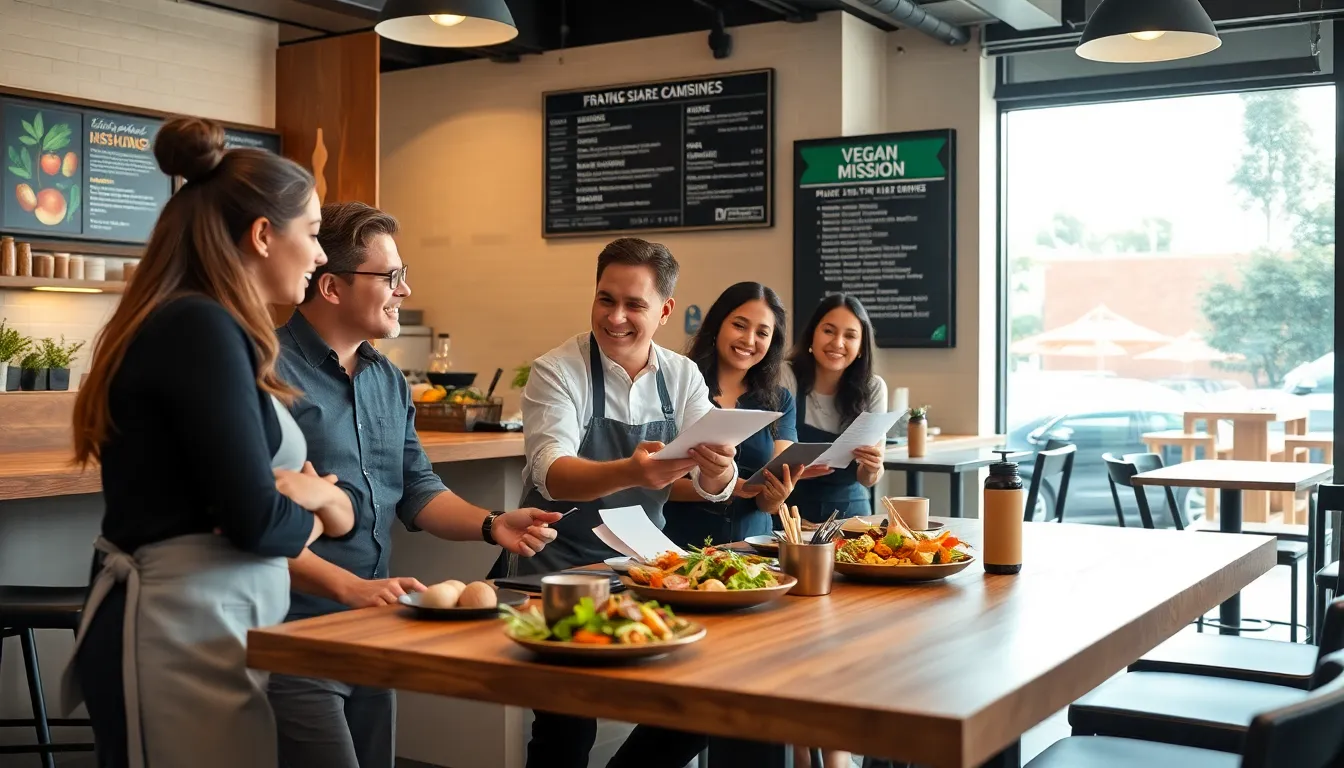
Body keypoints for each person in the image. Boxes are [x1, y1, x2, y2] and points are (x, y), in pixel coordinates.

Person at [62, 115, 356, 768]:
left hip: (212, 629)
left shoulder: (212, 327)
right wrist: (311, 507)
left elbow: (253, 509)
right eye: (311, 233)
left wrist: (295, 502)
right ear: (261, 236)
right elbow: (254, 518)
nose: (320, 254)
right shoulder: (198, 328)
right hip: (176, 632)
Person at [265, 201, 562, 768]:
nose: (405, 289)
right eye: (391, 276)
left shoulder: (387, 379)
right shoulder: (267, 371)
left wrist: (493, 525)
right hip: (294, 626)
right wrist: (345, 588)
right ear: (330, 286)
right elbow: (251, 523)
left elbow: (418, 491)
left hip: (377, 621)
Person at [515, 237, 738, 768]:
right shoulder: (558, 370)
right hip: (557, 569)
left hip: (639, 570)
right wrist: (632, 471)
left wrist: (719, 470)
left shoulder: (681, 375)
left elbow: (715, 485)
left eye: (634, 304)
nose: (615, 317)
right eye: (604, 299)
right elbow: (553, 475)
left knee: (694, 709)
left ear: (663, 311)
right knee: (565, 731)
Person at [663, 281, 831, 547]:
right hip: (681, 546)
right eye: (739, 325)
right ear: (717, 325)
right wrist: (738, 488)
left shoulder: (780, 401)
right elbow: (657, 485)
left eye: (762, 333)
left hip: (752, 548)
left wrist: (777, 496)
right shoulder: (678, 386)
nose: (749, 340)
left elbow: (767, 502)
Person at [782, 293, 889, 524]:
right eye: (828, 331)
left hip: (852, 516)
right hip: (791, 514)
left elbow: (869, 478)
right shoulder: (787, 376)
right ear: (812, 335)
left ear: (861, 347)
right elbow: (771, 459)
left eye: (850, 336)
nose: (837, 343)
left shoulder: (873, 388)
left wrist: (872, 467)